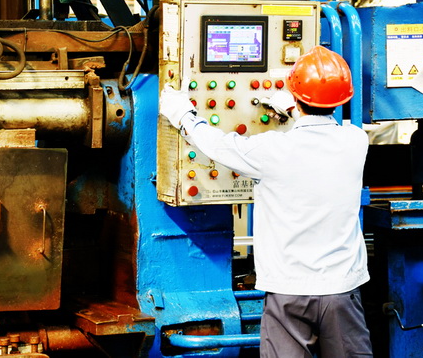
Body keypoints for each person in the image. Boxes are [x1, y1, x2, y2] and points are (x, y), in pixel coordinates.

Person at [159, 45, 372, 358]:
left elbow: (219, 145)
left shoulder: (271, 150)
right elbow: (321, 132)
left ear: (296, 96)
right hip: (342, 290)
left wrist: (183, 115)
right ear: (343, 98)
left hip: (289, 292)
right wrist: (294, 109)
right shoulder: (356, 141)